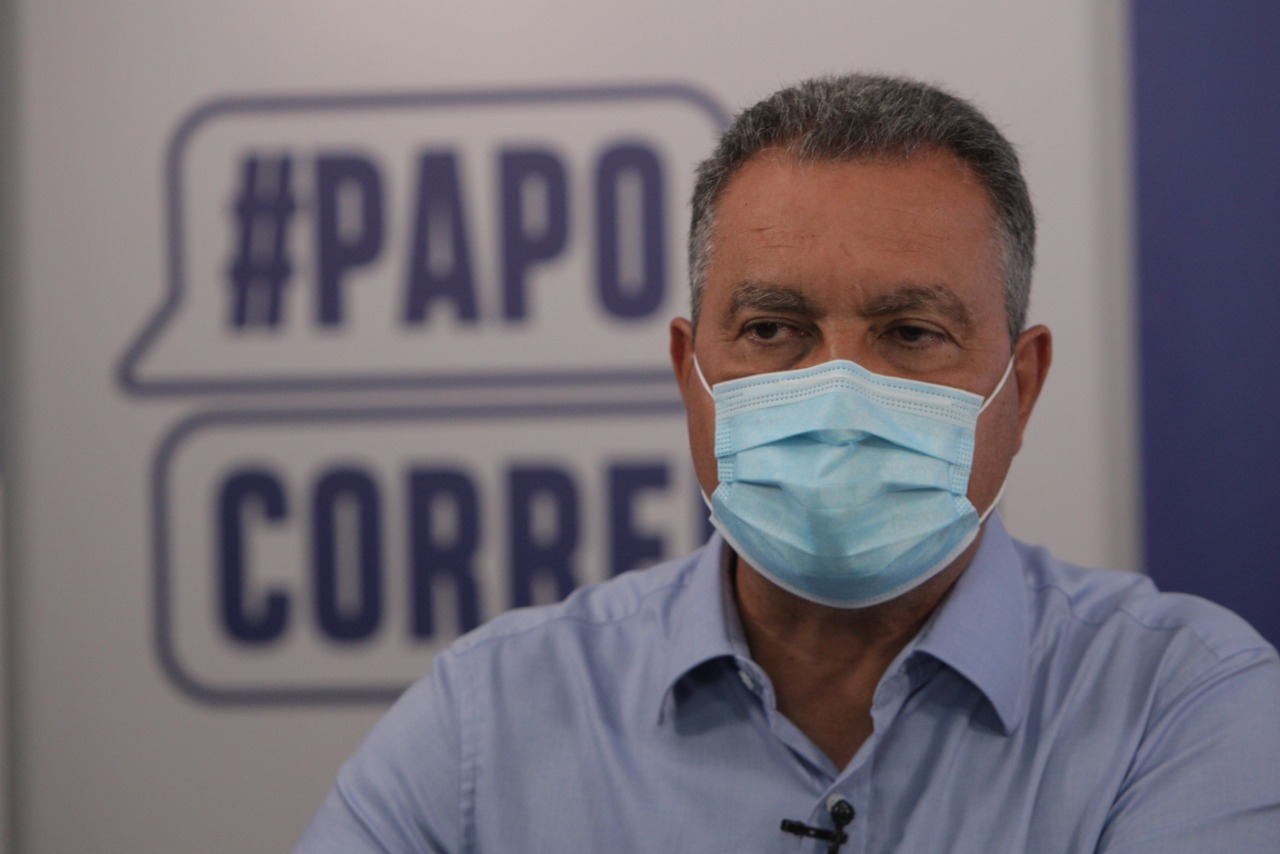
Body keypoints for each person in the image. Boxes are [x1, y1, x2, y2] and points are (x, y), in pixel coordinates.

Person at [296, 74, 1280, 852]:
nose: (838, 395)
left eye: (909, 331)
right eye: (772, 329)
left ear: (1020, 386)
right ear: (689, 372)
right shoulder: (487, 720)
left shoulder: (1179, 705)